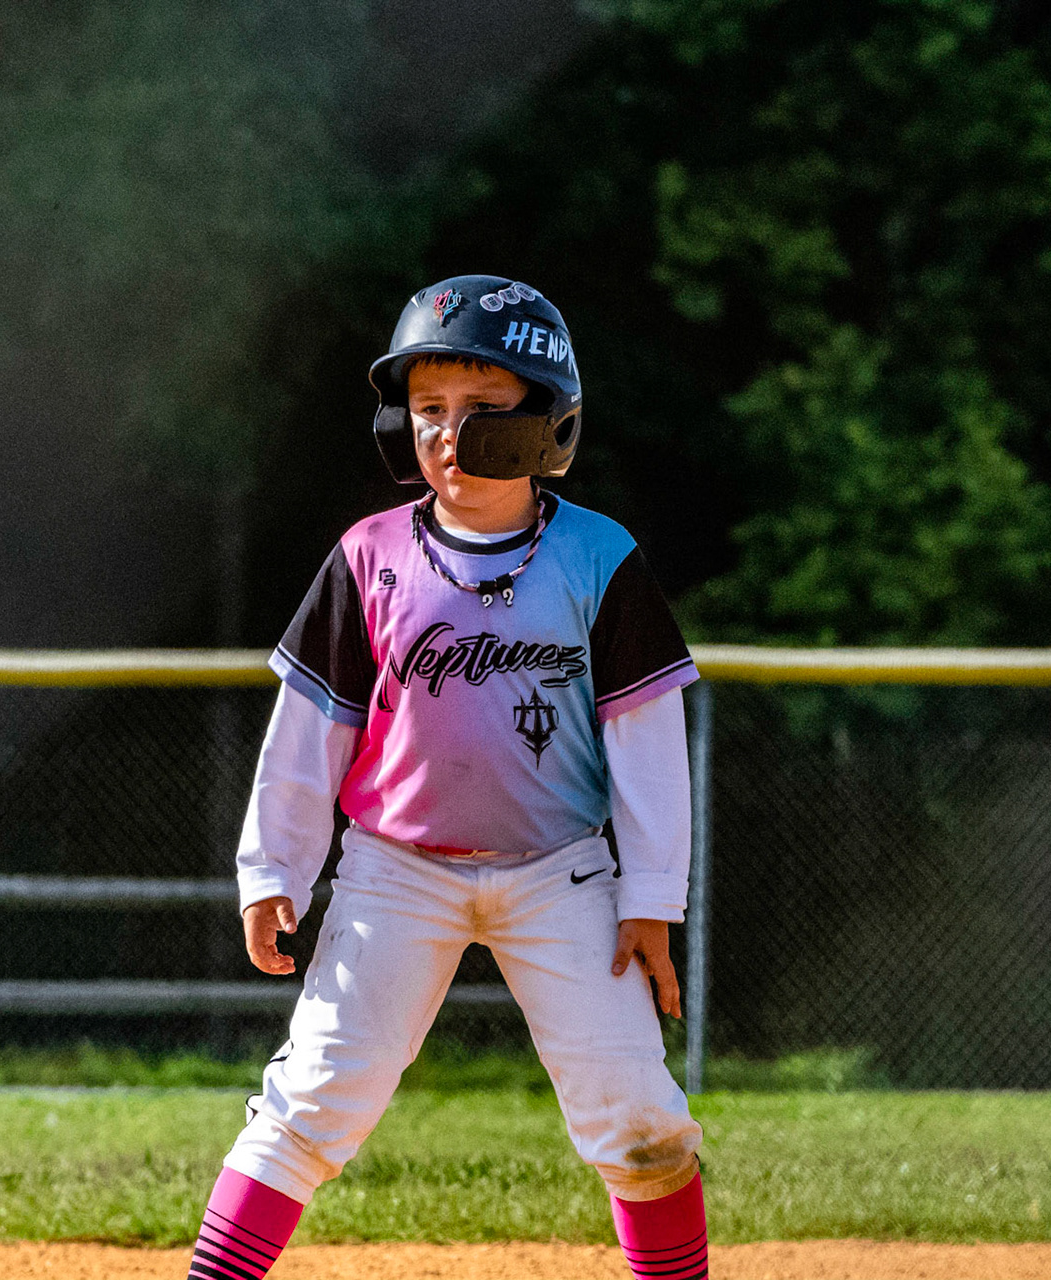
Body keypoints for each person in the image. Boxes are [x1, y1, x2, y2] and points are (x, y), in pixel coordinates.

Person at [183, 275, 707, 1280]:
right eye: (427, 410)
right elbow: (310, 730)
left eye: (479, 411)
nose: (445, 434)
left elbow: (645, 737)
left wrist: (650, 895)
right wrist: (274, 867)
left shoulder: (600, 558)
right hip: (394, 873)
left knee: (639, 1113)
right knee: (313, 1097)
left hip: (561, 872)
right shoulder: (369, 555)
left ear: (548, 423)